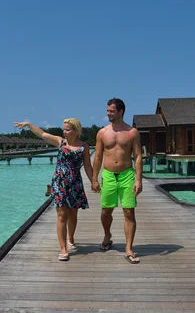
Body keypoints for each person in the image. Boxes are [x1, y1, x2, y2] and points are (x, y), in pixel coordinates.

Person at [14, 118, 94, 261]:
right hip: (59, 182)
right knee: (62, 215)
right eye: (64, 129)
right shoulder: (60, 142)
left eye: (67, 129)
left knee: (73, 215)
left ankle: (71, 238)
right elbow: (42, 134)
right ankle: (63, 249)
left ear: (75, 131)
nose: (64, 131)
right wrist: (28, 124)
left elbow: (88, 166)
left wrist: (94, 181)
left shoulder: (83, 146)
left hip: (75, 183)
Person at [91, 98, 143, 264]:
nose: (108, 114)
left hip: (127, 175)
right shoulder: (102, 133)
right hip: (108, 175)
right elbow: (98, 156)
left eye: (111, 111)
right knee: (106, 211)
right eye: (108, 111)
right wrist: (94, 178)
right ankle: (107, 234)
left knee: (129, 211)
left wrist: (139, 180)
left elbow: (138, 156)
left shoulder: (132, 132)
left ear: (121, 112)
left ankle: (128, 248)